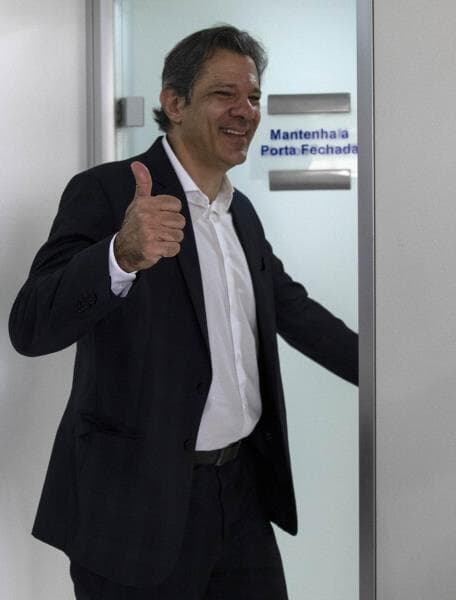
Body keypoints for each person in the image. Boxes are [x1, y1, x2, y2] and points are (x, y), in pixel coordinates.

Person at [8, 25, 357, 599]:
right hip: (133, 510)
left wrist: (388, 375)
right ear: (174, 103)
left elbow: (293, 310)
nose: (245, 111)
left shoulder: (240, 213)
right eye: (225, 94)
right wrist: (119, 255)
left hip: (240, 496)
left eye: (253, 97)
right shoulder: (108, 193)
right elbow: (30, 327)